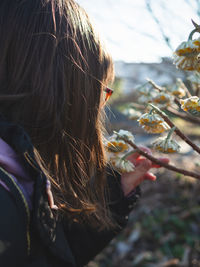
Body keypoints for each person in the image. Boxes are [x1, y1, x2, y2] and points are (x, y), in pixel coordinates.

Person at [0, 0, 168, 266]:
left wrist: (112, 198)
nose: (103, 103)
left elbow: (38, 255)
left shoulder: (19, 174)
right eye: (102, 91)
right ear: (63, 88)